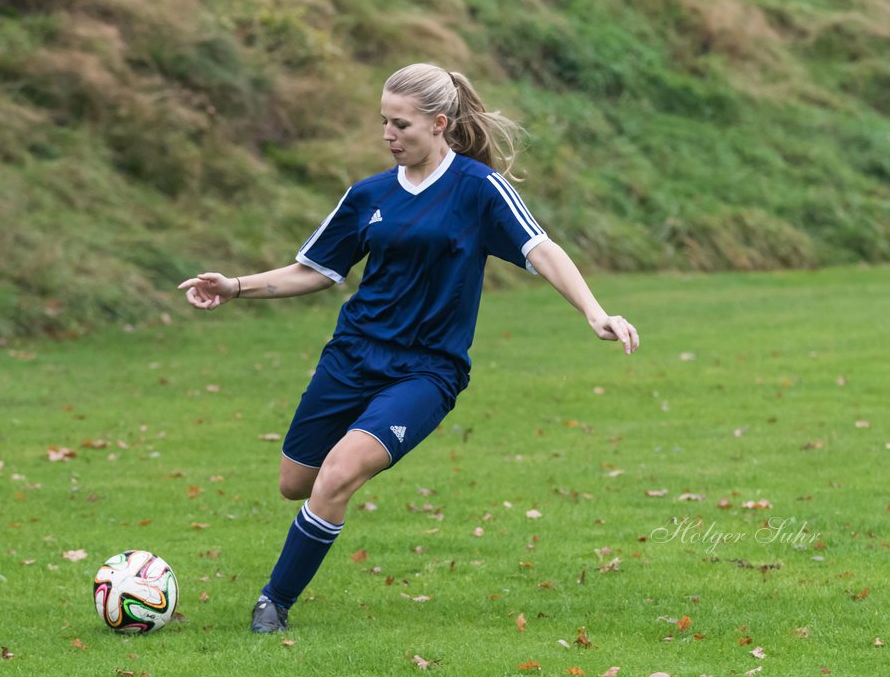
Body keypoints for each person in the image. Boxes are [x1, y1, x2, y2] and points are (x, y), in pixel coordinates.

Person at [177, 63, 640, 633]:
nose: (388, 135)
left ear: (439, 123)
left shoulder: (478, 189)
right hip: (351, 356)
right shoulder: (368, 194)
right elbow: (314, 271)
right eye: (383, 122)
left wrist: (596, 312)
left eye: (401, 124)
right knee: (295, 484)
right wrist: (235, 287)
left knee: (339, 474)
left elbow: (540, 248)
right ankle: (338, 478)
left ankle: (274, 603)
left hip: (426, 371)